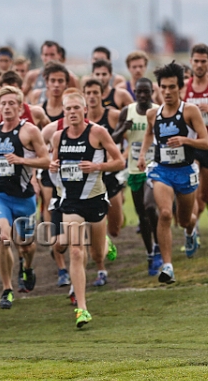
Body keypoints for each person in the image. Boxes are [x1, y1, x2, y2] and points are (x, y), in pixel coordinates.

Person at [49, 89, 124, 327]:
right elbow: (53, 163)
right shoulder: (58, 137)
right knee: (76, 252)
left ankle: (101, 242)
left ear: (84, 110)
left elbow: (119, 162)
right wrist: (52, 165)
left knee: (97, 254)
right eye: (67, 109)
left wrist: (97, 166)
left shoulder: (97, 132)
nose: (72, 113)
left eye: (75, 108)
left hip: (95, 200)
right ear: (64, 112)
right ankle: (82, 309)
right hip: (70, 201)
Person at [0, 86, 49, 310]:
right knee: (3, 238)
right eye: (2, 104)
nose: (6, 108)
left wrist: (22, 161)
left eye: (11, 104)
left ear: (19, 106)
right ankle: (7, 289)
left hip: (24, 196)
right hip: (0, 194)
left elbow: (45, 160)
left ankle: (27, 267)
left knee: (26, 246)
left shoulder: (30, 131)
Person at [138, 62, 208, 284]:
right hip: (162, 171)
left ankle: (190, 233)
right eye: (163, 87)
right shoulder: (153, 113)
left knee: (184, 220)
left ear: (180, 88)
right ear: (158, 88)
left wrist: (185, 140)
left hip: (185, 171)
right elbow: (149, 134)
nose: (167, 92)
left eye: (171, 87)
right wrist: (142, 154)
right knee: (166, 214)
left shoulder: (190, 111)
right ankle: (167, 266)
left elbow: (206, 142)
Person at [111, 78, 162, 276]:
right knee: (142, 214)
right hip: (134, 170)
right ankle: (150, 252)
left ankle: (158, 246)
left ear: (151, 92)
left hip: (155, 168)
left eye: (146, 92)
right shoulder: (127, 111)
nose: (142, 96)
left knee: (151, 208)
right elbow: (114, 139)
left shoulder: (158, 110)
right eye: (138, 92)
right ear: (134, 91)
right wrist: (124, 128)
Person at [84, 79, 122, 286]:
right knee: (91, 232)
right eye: (88, 92)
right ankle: (101, 269)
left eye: (95, 92)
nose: (91, 96)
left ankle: (107, 238)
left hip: (109, 176)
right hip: (88, 184)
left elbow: (125, 142)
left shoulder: (112, 116)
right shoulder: (77, 122)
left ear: (101, 95)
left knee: (115, 229)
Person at [183, 44, 208, 225]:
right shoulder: (184, 87)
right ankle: (192, 230)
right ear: (191, 62)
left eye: (203, 62)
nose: (199, 65)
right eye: (196, 61)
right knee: (192, 188)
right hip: (192, 144)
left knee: (205, 195)